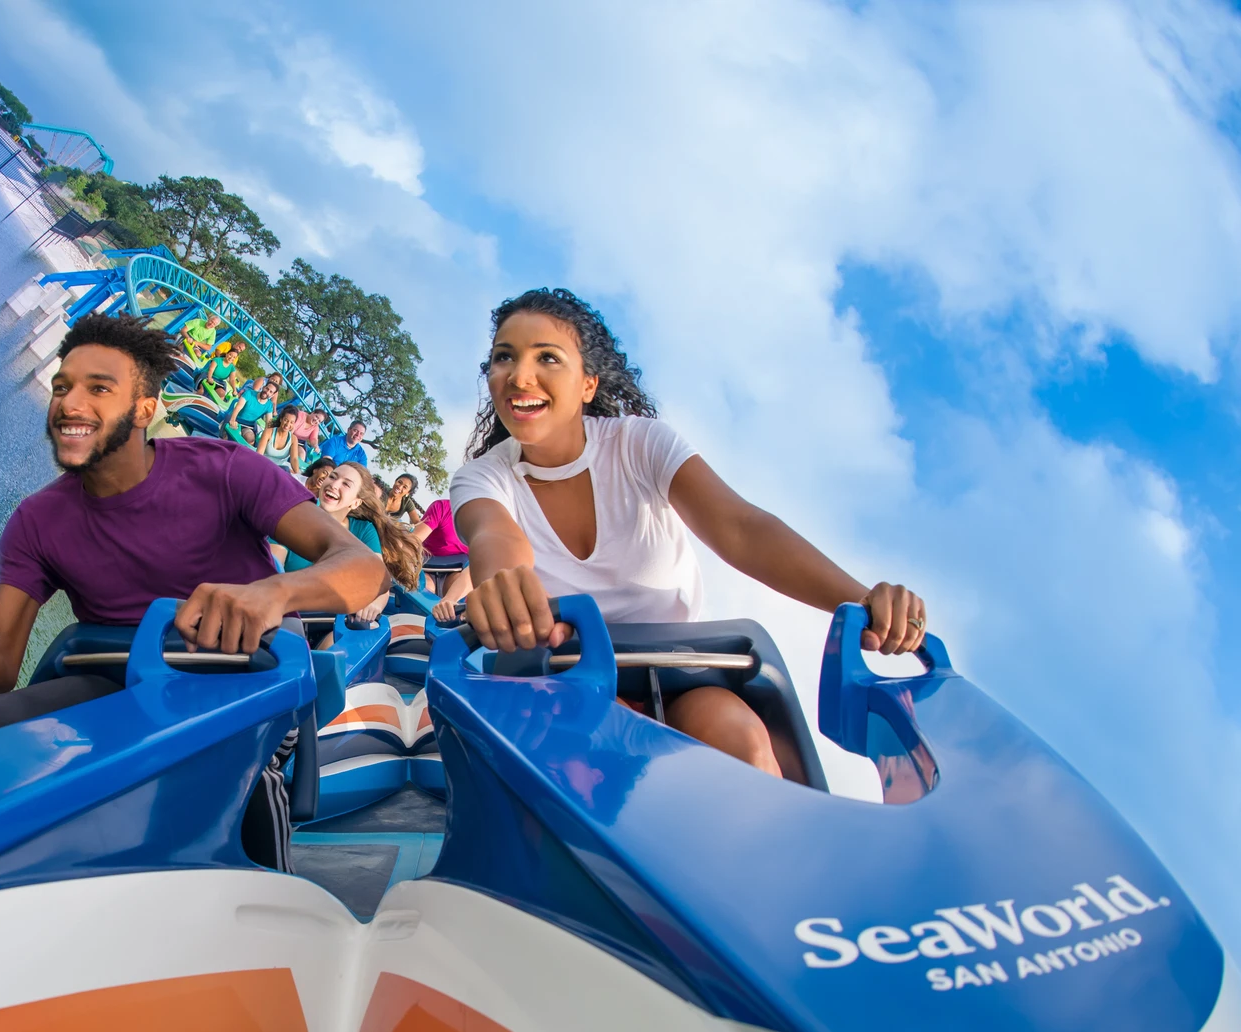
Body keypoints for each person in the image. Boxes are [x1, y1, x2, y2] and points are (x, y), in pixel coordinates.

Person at [453, 288, 926, 779]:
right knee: (604, 744)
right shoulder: (482, 477)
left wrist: (863, 603)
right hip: (570, 676)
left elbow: (740, 529)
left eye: (546, 357)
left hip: (683, 668)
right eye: (503, 358)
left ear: (588, 384)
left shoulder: (640, 444)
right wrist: (503, 584)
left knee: (742, 745)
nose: (519, 376)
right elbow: (496, 537)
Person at [0, 312, 385, 736]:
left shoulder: (227, 469)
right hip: (121, 680)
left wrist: (272, 594)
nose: (70, 404)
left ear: (145, 409)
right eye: (62, 387)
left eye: (99, 389)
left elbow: (365, 569)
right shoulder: (35, 522)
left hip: (238, 680)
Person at [276, 462, 423, 631]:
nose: (334, 484)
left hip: (335, 621)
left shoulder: (363, 529)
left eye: (346, 484)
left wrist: (374, 604)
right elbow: (273, 564)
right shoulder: (294, 513)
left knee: (358, 636)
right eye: (332, 477)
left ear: (355, 503)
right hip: (287, 613)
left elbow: (379, 578)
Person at [414, 494, 471, 622]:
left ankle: (448, 610)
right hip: (426, 566)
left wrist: (450, 599)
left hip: (458, 570)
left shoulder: (487, 526)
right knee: (426, 588)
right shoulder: (442, 507)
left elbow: (478, 567)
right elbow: (413, 541)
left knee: (455, 595)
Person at [220, 373, 284, 446]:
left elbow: (268, 423)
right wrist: (233, 420)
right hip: (236, 419)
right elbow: (238, 407)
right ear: (263, 387)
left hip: (248, 425)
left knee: (250, 439)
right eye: (267, 388)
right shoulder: (249, 393)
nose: (267, 392)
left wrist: (267, 437)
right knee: (227, 438)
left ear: (272, 395)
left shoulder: (269, 405)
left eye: (270, 392)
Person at [254, 404, 307, 474]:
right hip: (263, 465)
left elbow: (294, 459)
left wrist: (296, 473)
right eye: (286, 420)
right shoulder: (269, 432)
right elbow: (259, 454)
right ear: (281, 419)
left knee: (286, 470)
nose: (288, 424)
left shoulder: (293, 439)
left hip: (278, 471)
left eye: (291, 422)